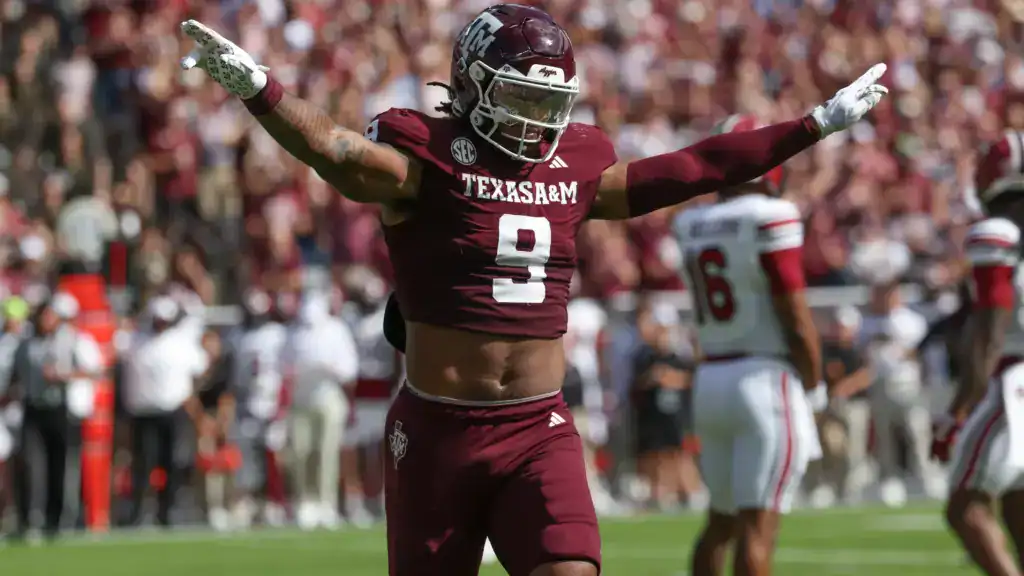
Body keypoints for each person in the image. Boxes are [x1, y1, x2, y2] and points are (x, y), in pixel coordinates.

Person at [180, 7, 887, 574]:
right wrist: (258, 87)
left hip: (536, 429)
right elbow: (333, 149)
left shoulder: (577, 164)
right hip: (437, 430)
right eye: (519, 96)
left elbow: (694, 165)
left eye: (547, 101)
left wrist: (811, 126)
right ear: (472, 84)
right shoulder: (425, 157)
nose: (533, 117)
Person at [676, 115, 825, 576]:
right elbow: (794, 312)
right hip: (764, 378)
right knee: (758, 531)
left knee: (719, 525)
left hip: (712, 379)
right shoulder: (770, 216)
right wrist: (814, 377)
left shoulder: (690, 223)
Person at [932, 132, 1024, 576]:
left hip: (1014, 379)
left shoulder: (996, 232)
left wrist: (958, 410)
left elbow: (991, 330)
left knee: (964, 506)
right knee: (1018, 510)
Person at [9, 293, 101, 540]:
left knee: (61, 466)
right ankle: (30, 519)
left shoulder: (73, 340)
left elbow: (95, 371)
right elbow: (16, 374)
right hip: (34, 408)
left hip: (61, 408)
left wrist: (64, 375)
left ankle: (59, 519)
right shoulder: (27, 343)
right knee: (31, 464)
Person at [120, 296, 208, 528]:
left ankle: (166, 511)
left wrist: (189, 396)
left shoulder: (180, 342)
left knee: (173, 463)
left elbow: (201, 368)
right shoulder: (135, 340)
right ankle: (138, 513)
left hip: (172, 410)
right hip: (143, 412)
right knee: (143, 464)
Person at [281, 291, 357, 531]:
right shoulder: (294, 332)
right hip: (301, 399)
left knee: (327, 453)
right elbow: (284, 364)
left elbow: (349, 369)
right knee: (300, 452)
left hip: (328, 397)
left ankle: (327, 504)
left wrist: (327, 367)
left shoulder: (337, 330)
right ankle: (304, 502)